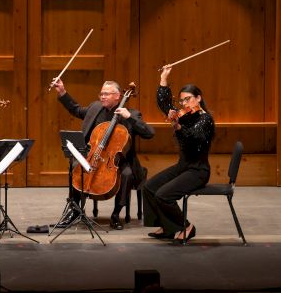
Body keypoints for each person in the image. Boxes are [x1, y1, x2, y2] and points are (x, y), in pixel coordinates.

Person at [52, 78, 155, 229]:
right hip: (94, 155)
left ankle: (116, 214)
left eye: (106, 94)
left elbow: (150, 133)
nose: (102, 97)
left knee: (126, 174)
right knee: (76, 165)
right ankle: (74, 210)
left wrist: (129, 118)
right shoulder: (95, 108)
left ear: (118, 96)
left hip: (119, 160)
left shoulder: (131, 114)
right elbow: (76, 109)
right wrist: (62, 92)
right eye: (101, 94)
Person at [143, 66, 215, 243]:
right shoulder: (186, 116)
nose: (184, 104)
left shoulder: (205, 119)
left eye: (188, 99)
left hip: (198, 170)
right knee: (149, 187)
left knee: (163, 195)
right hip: (183, 167)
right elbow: (165, 104)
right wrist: (163, 79)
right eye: (182, 101)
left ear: (198, 98)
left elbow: (195, 138)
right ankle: (168, 227)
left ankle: (186, 226)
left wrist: (178, 127)